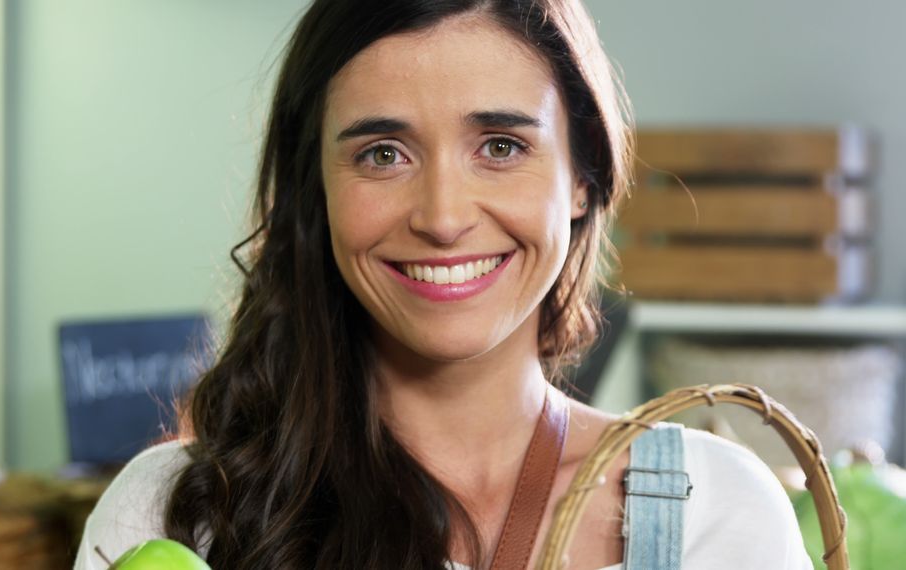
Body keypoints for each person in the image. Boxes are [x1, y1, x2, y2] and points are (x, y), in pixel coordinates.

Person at [75, 1, 813, 568]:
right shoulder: (172, 513)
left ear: (582, 177)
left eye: (500, 146)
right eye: (383, 154)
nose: (442, 217)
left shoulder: (719, 511)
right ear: (316, 189)